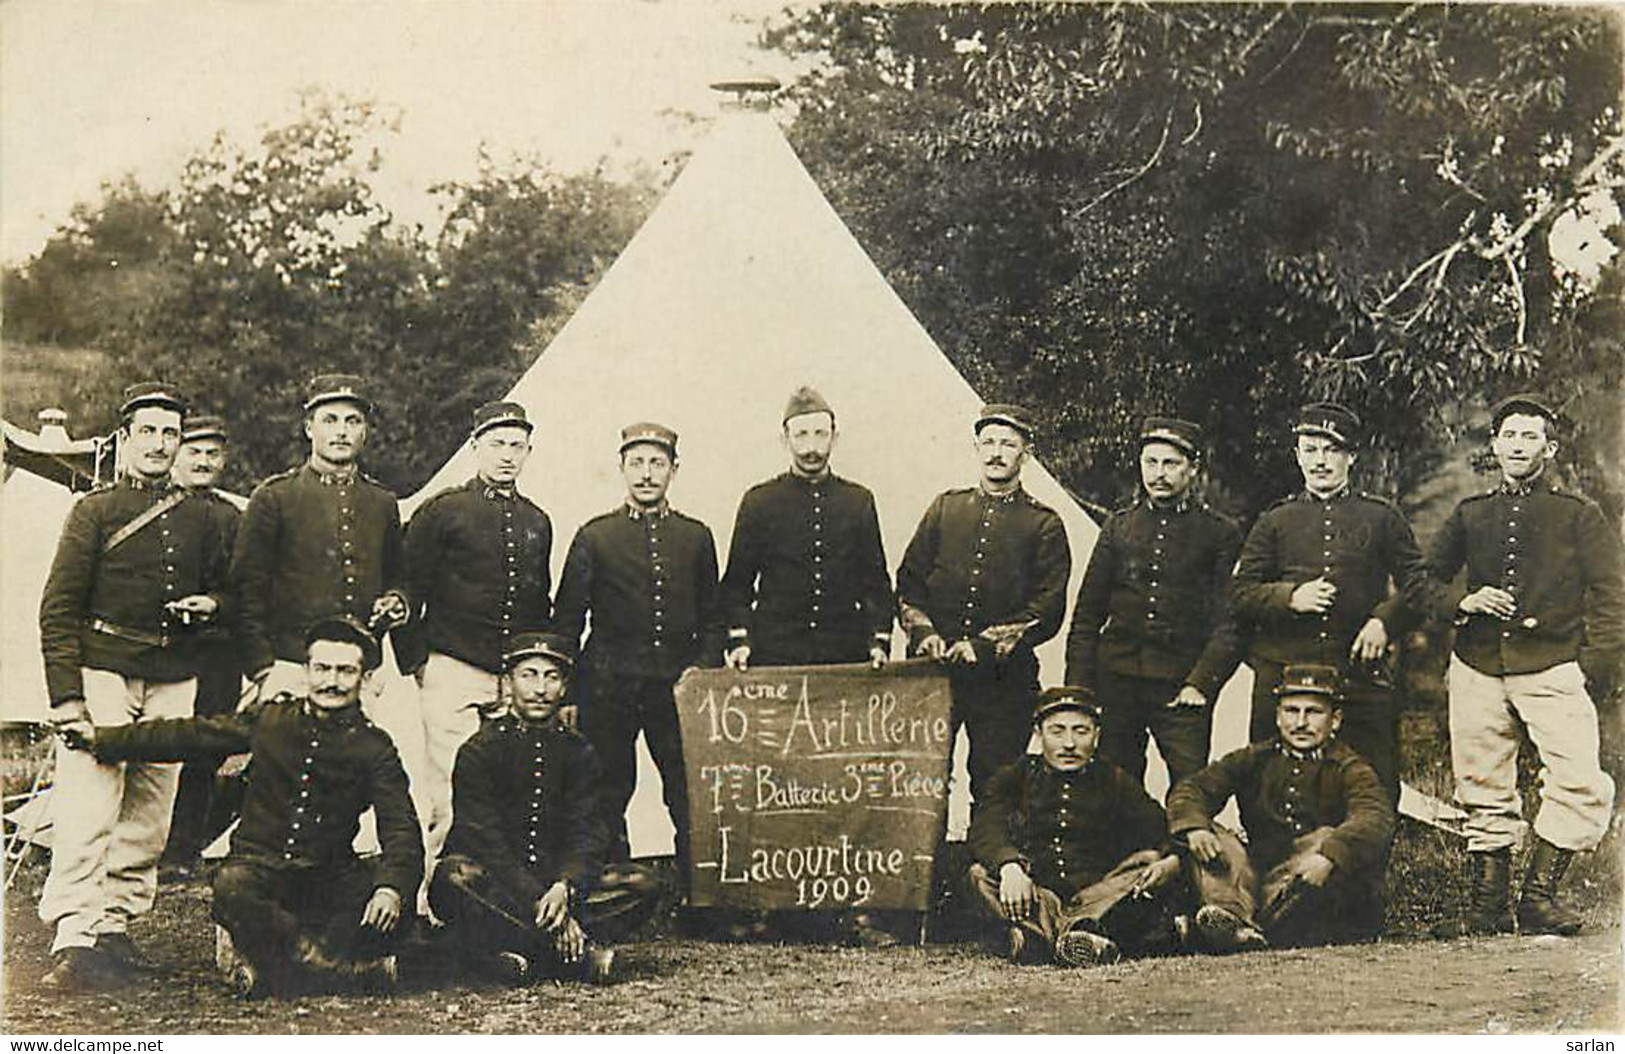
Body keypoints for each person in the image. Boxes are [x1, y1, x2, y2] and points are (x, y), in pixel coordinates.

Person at [65, 616, 421, 997]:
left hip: (326, 875)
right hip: (260, 873)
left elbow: (401, 827)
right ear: (306, 671)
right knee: (233, 887)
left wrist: (390, 888)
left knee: (392, 910)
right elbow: (189, 735)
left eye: (345, 671)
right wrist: (103, 738)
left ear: (363, 679)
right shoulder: (269, 720)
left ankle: (277, 963)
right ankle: (325, 965)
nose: (332, 682)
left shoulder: (375, 747)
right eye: (322, 669)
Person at [36, 383, 236, 992]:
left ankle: (116, 927)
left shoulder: (205, 516)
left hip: (174, 675)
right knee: (90, 801)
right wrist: (67, 696)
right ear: (125, 440)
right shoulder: (94, 511)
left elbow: (233, 590)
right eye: (147, 432)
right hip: (103, 668)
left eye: (169, 434)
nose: (159, 444)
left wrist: (213, 603)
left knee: (151, 808)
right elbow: (58, 607)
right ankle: (74, 932)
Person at [1426, 394, 1623, 938]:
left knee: (1580, 779)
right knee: (1482, 782)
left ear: (1549, 447)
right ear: (1495, 445)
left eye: (1530, 436)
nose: (1518, 445)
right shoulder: (1472, 514)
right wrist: (1462, 603)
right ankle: (1486, 909)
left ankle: (1539, 899)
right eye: (1509, 435)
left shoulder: (1577, 515)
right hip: (1478, 666)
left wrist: (1594, 667)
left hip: (1554, 664)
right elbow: (1426, 580)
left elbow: (1612, 592)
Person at [429, 633, 659, 984]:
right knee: (453, 878)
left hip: (557, 889)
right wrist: (540, 901)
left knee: (641, 883)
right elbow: (485, 841)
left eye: (551, 677)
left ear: (565, 687)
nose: (540, 689)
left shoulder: (579, 751)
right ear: (507, 683)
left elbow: (589, 830)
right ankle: (567, 953)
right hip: (501, 888)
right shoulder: (479, 751)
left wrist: (565, 886)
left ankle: (512, 953)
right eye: (528, 675)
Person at [1230, 401, 1429, 801]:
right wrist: (1289, 597)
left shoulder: (1381, 517)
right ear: (1297, 455)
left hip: (1356, 671)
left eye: (1331, 450)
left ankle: (1363, 861)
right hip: (1285, 673)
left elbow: (1421, 586)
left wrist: (1384, 622)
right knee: (1269, 784)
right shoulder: (1275, 520)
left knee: (1372, 782)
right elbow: (1239, 593)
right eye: (1310, 449)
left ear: (1351, 456)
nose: (1320, 462)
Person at [553, 423, 724, 877]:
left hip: (676, 689)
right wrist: (567, 694)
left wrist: (701, 673)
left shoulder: (696, 536)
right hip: (607, 688)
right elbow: (568, 620)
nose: (646, 474)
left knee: (688, 789)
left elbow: (713, 616)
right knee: (607, 789)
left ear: (674, 469)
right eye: (637, 463)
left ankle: (699, 893)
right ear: (622, 468)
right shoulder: (595, 536)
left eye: (657, 463)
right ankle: (615, 891)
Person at [396, 401, 553, 876]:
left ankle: (498, 903)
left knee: (510, 789)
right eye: (497, 444)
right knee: (449, 790)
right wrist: (417, 661)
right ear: (475, 447)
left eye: (517, 446)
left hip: (510, 679)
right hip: (453, 669)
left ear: (528, 451)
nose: (507, 455)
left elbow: (537, 600)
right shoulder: (444, 511)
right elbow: (408, 586)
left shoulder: (536, 520)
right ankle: (434, 900)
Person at [896, 403, 1071, 807]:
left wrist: (984, 646)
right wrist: (924, 633)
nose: (996, 452)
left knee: (996, 783)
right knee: (922, 778)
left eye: (1008, 444)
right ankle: (929, 867)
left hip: (1003, 684)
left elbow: (1047, 608)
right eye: (988, 442)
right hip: (934, 675)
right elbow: (909, 581)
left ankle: (987, 868)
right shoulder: (946, 507)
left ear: (1025, 454)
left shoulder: (1043, 523)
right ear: (975, 447)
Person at [1064, 417, 1242, 787]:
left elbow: (1230, 622)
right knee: (1114, 784)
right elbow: (1087, 614)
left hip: (1181, 687)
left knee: (1189, 787)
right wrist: (1079, 689)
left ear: (1193, 469)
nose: (1158, 474)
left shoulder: (1219, 533)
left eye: (1171, 463)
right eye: (1151, 462)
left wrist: (1201, 684)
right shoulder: (1120, 527)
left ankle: (1181, 845)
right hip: (1116, 682)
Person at [1166, 663, 1395, 952]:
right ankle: (1231, 920)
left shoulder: (1349, 766)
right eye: (1291, 711)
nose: (1300, 723)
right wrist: (1195, 827)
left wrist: (1330, 855)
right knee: (1210, 832)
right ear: (1277, 716)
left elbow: (1374, 815)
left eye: (1313, 712)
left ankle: (1242, 931)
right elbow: (1193, 789)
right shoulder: (1254, 758)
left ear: (1335, 720)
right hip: (1254, 875)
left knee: (1324, 837)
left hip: (1311, 883)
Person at [967, 687, 1186, 967]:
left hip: (1098, 896)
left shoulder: (1114, 779)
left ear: (1096, 736)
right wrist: (1009, 866)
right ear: (1038, 733)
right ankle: (1078, 937)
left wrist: (1171, 860)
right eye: (1057, 731)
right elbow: (986, 826)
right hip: (1037, 895)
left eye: (1081, 731)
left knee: (1150, 861)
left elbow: (1159, 826)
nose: (1069, 744)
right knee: (979, 875)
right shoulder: (1015, 776)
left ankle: (1043, 939)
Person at [233, 374, 409, 701]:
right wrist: (263, 668)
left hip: (361, 670)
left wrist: (397, 599)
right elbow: (247, 590)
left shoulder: (382, 502)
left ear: (365, 432)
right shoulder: (275, 498)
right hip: (291, 667)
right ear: (309, 428)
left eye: (353, 421)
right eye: (330, 420)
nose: (342, 431)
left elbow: (398, 575)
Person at [720, 386, 893, 670]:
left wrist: (879, 641)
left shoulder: (858, 501)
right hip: (775, 657)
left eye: (820, 434)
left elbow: (875, 583)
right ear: (784, 439)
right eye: (801, 435)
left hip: (844, 657)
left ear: (834, 438)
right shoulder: (759, 501)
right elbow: (736, 586)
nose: (811, 448)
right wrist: (740, 641)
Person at [162, 414, 245, 873]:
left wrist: (215, 604)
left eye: (213, 453)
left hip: (217, 650)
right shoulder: (153, 509)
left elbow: (248, 588)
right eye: (194, 451)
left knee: (205, 748)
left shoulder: (233, 518)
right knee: (157, 743)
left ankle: (182, 848)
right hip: (161, 648)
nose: (203, 461)